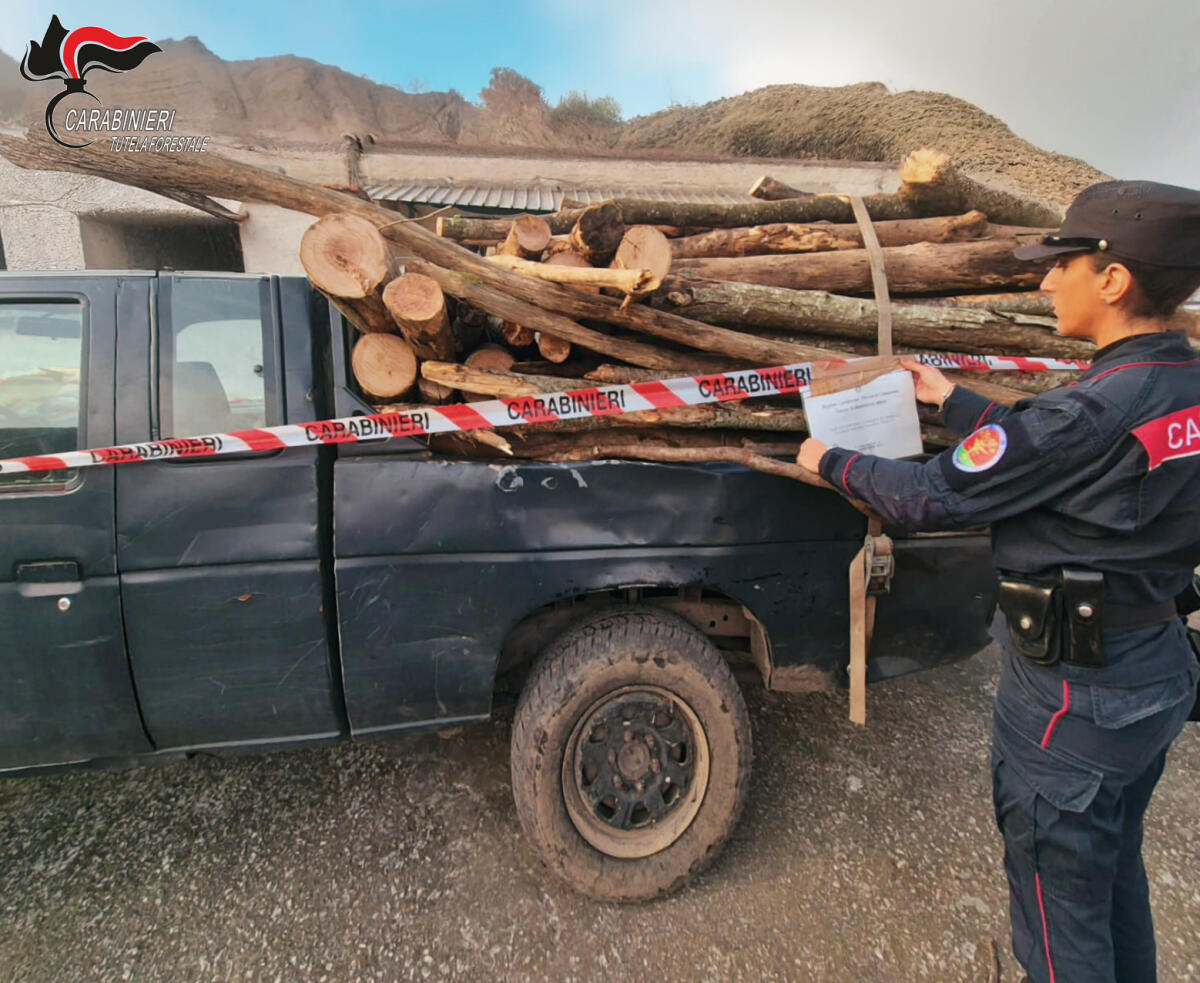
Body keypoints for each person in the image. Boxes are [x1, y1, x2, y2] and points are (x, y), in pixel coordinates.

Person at [796, 180, 1200, 983]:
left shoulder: (1089, 413)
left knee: (1058, 922)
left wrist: (827, 458)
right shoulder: (1178, 386)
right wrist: (955, 400)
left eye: (1063, 264)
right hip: (1156, 672)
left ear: (1113, 280)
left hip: (1073, 705)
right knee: (1112, 876)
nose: (1047, 281)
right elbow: (1057, 461)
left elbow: (929, 495)